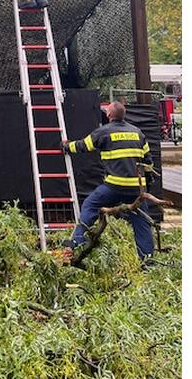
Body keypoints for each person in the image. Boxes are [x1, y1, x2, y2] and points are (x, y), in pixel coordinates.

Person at [61, 100, 155, 262]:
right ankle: (148, 261)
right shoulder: (138, 133)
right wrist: (146, 185)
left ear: (109, 115)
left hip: (114, 186)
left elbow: (84, 146)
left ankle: (78, 241)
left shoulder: (103, 132)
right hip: (136, 189)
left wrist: (67, 146)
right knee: (142, 222)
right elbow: (148, 163)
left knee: (90, 205)